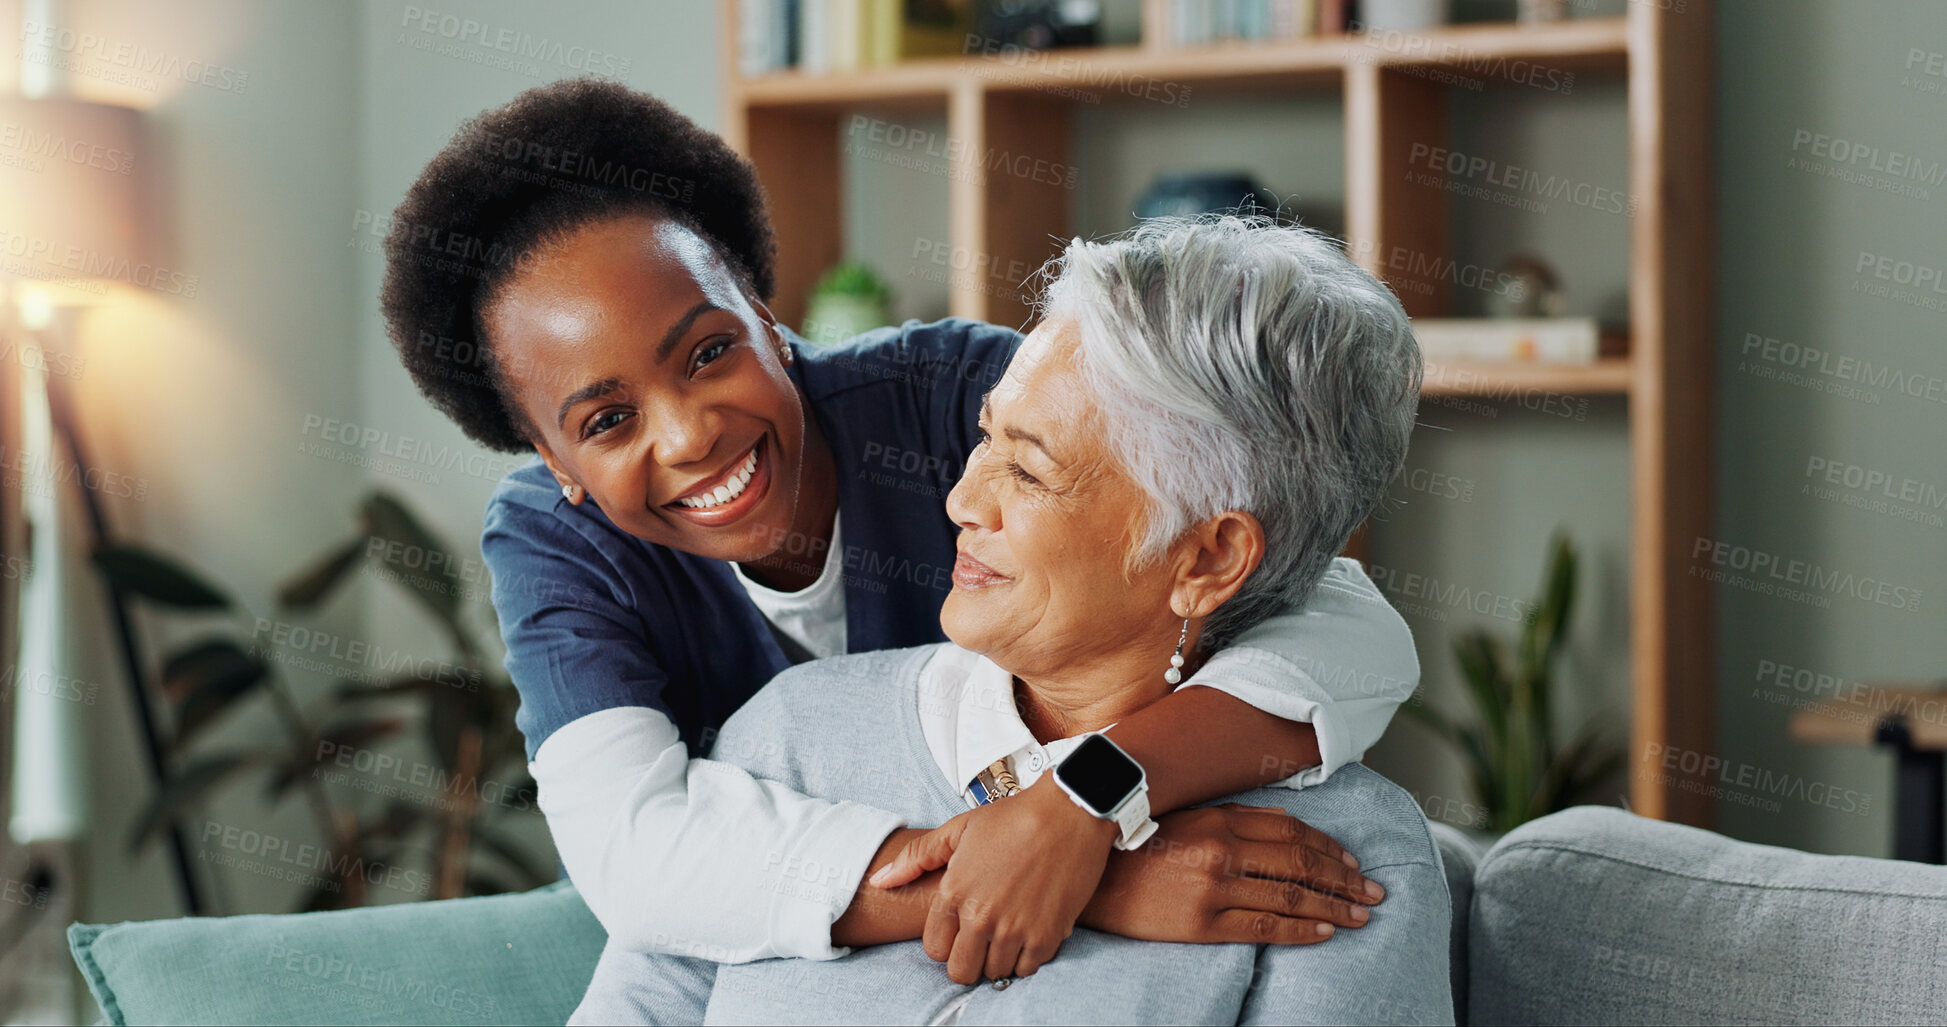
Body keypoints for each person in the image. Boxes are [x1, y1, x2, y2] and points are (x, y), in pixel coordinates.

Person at [380, 78, 1421, 978]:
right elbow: (639, 852)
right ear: (555, 467)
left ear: (764, 315)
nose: (691, 434)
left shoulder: (962, 402)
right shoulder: (557, 546)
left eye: (706, 352)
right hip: (751, 950)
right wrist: (1076, 876)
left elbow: (1335, 617)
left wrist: (1082, 805)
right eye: (607, 422)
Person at [573, 214, 1448, 1025]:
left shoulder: (1338, 863)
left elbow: (1357, 624)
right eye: (984, 437)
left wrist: (1086, 804)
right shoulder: (791, 735)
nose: (959, 499)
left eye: (1026, 473)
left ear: (1208, 559)